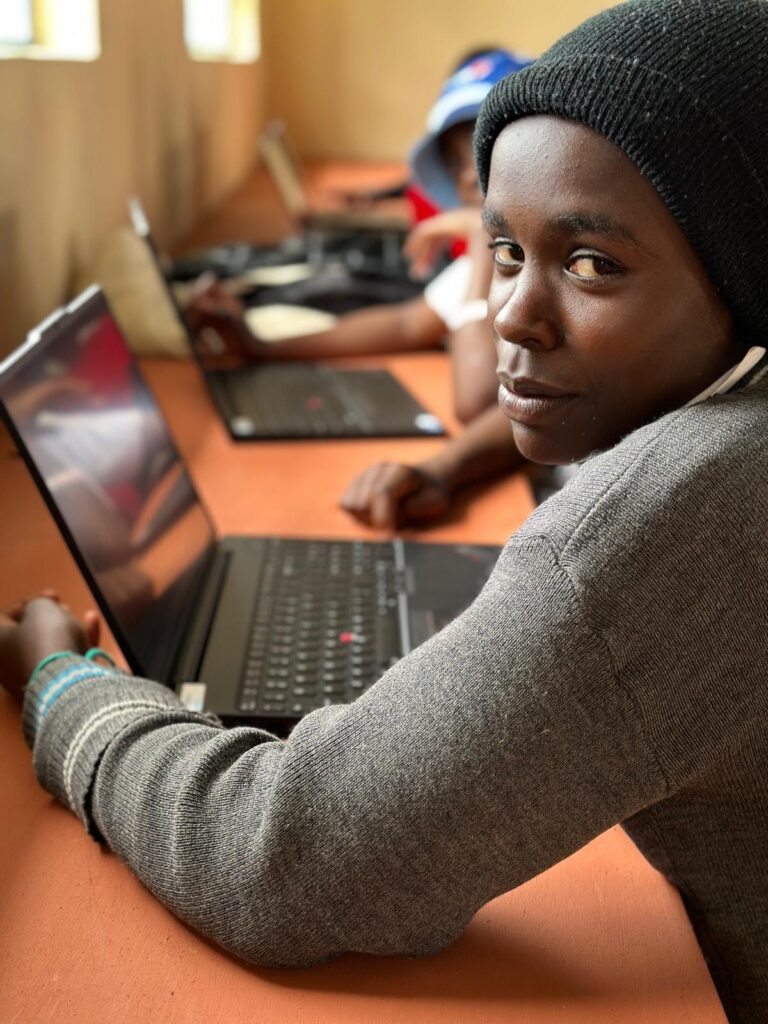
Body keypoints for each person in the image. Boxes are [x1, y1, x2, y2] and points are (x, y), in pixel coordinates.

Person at [2, 2, 768, 1020]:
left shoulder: (679, 520)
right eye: (504, 248)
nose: (507, 313)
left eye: (593, 263)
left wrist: (62, 684)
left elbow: (280, 856)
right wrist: (459, 464)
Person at [189, 48, 530, 425]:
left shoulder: (547, 269)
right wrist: (259, 347)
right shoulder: (485, 261)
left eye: (486, 147)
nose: (469, 175)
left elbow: (476, 402)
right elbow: (404, 323)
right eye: (456, 162)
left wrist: (479, 235)